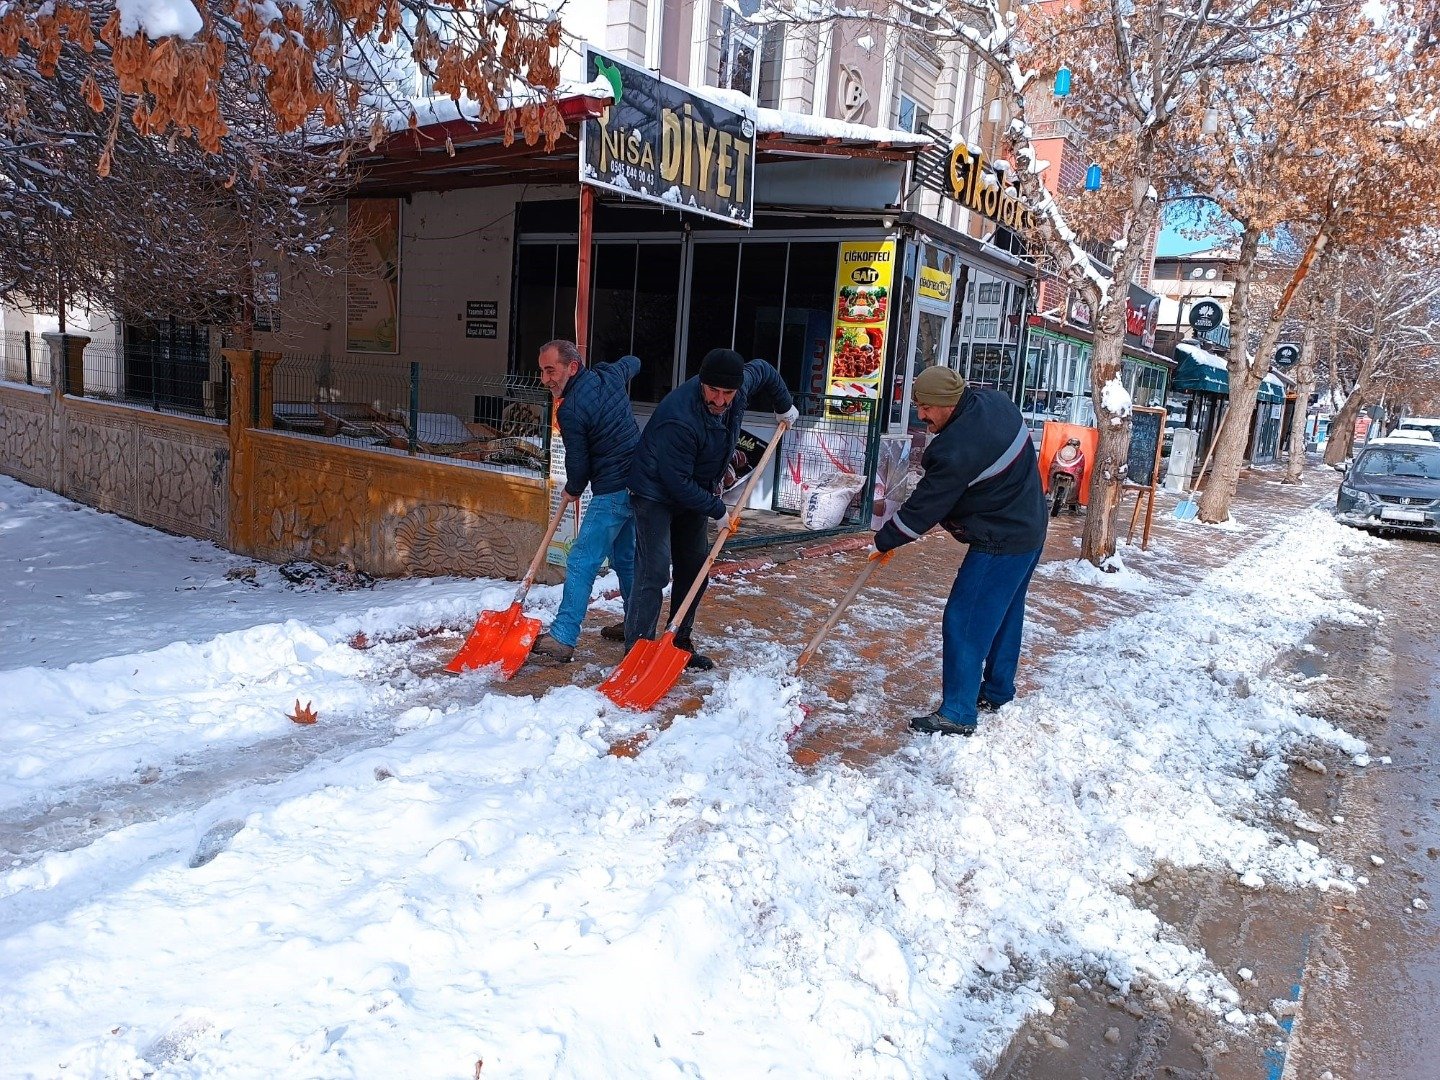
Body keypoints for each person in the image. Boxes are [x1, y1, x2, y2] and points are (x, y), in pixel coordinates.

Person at [874, 365, 1047, 736]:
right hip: (1030, 528)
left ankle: (957, 712)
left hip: (1002, 539)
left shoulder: (956, 447)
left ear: (948, 404)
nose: (921, 416)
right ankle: (997, 691)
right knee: (1003, 613)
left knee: (964, 620)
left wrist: (885, 539)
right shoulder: (995, 402)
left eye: (925, 408)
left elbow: (925, 507)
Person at [625, 348, 799, 670]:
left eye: (727, 394)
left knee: (695, 568)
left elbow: (763, 368)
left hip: (695, 489)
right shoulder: (679, 418)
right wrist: (717, 510)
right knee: (655, 571)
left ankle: (678, 641)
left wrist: (784, 405)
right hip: (654, 493)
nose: (719, 401)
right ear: (701, 383)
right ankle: (637, 652)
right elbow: (675, 482)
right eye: (713, 391)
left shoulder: (741, 384)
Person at [530, 340, 641, 663]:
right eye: (542, 371)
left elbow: (579, 466)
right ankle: (636, 626)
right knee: (626, 559)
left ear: (572, 367)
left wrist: (573, 489)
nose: (545, 379)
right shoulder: (609, 375)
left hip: (614, 489)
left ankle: (563, 637)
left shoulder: (572, 410)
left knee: (581, 561)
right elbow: (632, 360)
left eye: (551, 371)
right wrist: (627, 366)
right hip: (641, 484)